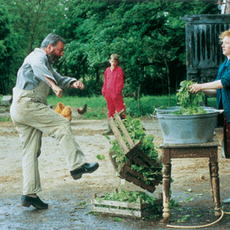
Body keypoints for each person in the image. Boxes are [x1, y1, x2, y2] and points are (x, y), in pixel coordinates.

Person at [10, 33, 99, 210]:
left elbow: (58, 79)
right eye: (60, 50)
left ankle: (29, 194)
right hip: (28, 103)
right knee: (62, 124)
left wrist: (73, 82)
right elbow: (38, 69)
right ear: (49, 47)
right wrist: (53, 86)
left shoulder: (47, 64)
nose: (62, 54)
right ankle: (77, 165)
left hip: (20, 107)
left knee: (30, 151)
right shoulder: (37, 56)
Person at [189, 29, 230, 204]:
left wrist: (200, 84)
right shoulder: (224, 64)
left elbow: (225, 82)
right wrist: (198, 88)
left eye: (226, 43)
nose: (222, 45)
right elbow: (217, 91)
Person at [102, 54, 126, 135]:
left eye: (115, 62)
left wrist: (117, 92)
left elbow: (120, 83)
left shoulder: (119, 70)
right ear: (109, 61)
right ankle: (110, 129)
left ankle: (124, 129)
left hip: (117, 95)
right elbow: (105, 82)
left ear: (117, 62)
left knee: (120, 110)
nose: (113, 63)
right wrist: (104, 90)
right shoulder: (107, 70)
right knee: (110, 110)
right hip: (108, 94)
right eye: (112, 61)